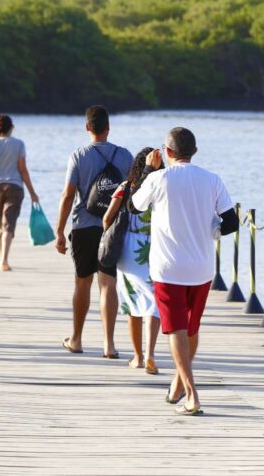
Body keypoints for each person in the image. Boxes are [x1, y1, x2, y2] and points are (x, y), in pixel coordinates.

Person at [130, 127, 237, 416]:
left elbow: (134, 206)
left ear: (167, 152)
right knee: (191, 327)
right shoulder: (211, 179)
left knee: (176, 328)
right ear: (195, 152)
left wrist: (145, 172)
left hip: (168, 268)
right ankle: (178, 383)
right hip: (202, 268)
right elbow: (231, 222)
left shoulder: (158, 178)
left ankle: (192, 393)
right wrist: (212, 230)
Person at [54, 106, 133, 357]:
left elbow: (68, 196)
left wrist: (59, 231)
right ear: (108, 127)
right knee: (108, 284)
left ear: (87, 128)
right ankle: (109, 345)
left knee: (82, 283)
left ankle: (76, 340)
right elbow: (134, 194)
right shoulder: (125, 156)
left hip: (84, 226)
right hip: (113, 227)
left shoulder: (78, 155)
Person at [102, 147, 163, 374]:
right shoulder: (161, 188)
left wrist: (111, 234)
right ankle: (150, 355)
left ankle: (137, 357)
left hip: (128, 249)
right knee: (154, 302)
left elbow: (108, 218)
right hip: (154, 247)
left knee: (132, 303)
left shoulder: (126, 188)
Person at [0, 114, 39, 271]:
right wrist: (32, 192)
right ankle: (4, 259)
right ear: (11, 127)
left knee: (0, 223)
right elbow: (23, 170)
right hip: (14, 186)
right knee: (9, 224)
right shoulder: (19, 144)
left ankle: (1, 258)